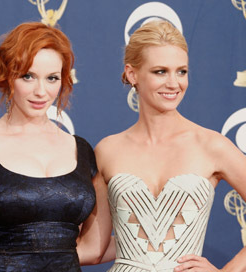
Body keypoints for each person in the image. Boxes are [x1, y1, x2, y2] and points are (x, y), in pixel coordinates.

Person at [0, 22, 112, 272]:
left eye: (52, 78)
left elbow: (94, 247)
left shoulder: (81, 150)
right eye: (28, 76)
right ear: (8, 76)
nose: (41, 91)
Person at [94, 20, 246, 271]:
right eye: (160, 71)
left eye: (182, 71)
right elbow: (95, 247)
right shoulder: (107, 150)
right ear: (132, 74)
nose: (174, 83)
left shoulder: (212, 146)